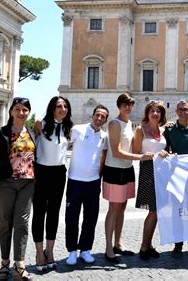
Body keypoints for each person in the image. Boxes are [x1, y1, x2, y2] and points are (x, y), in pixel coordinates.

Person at [0, 97, 36, 280]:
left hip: (28, 184)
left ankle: (19, 265)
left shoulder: (32, 132)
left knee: (22, 223)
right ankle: (4, 263)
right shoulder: (2, 133)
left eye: (25, 110)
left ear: (28, 112)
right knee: (6, 224)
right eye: (17, 109)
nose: (21, 113)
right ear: (11, 112)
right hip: (6, 183)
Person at [103, 93, 150, 263]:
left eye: (130, 104)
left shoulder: (129, 123)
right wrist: (140, 158)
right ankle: (108, 248)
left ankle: (118, 243)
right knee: (113, 209)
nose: (128, 107)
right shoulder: (114, 124)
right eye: (125, 104)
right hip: (114, 170)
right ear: (119, 106)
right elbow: (116, 152)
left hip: (127, 170)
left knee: (122, 208)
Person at [32, 96, 73, 272]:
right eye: (58, 106)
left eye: (65, 106)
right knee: (39, 212)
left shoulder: (68, 128)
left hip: (59, 173)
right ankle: (39, 253)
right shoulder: (41, 124)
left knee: (54, 213)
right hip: (41, 172)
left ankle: (50, 251)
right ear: (52, 108)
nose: (62, 109)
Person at [65, 105, 109, 266]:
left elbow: (103, 157)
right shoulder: (77, 129)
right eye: (97, 115)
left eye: (103, 116)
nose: (99, 118)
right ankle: (71, 251)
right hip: (75, 181)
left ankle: (85, 250)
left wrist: (99, 176)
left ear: (105, 120)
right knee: (72, 218)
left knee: (90, 218)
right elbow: (63, 144)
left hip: (93, 183)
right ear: (92, 116)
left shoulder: (104, 136)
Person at [161, 100, 188, 258]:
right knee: (177, 211)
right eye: (180, 110)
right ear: (176, 111)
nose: (183, 112)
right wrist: (166, 154)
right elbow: (164, 149)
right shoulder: (170, 129)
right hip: (176, 175)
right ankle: (178, 244)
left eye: (186, 109)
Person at [133, 101, 166, 260]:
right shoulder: (140, 130)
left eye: (158, 111)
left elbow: (164, 148)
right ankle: (144, 247)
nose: (155, 114)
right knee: (152, 211)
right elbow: (135, 152)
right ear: (147, 113)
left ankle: (149, 244)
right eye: (152, 111)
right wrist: (150, 155)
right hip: (148, 171)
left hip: (162, 172)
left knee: (157, 211)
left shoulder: (163, 129)